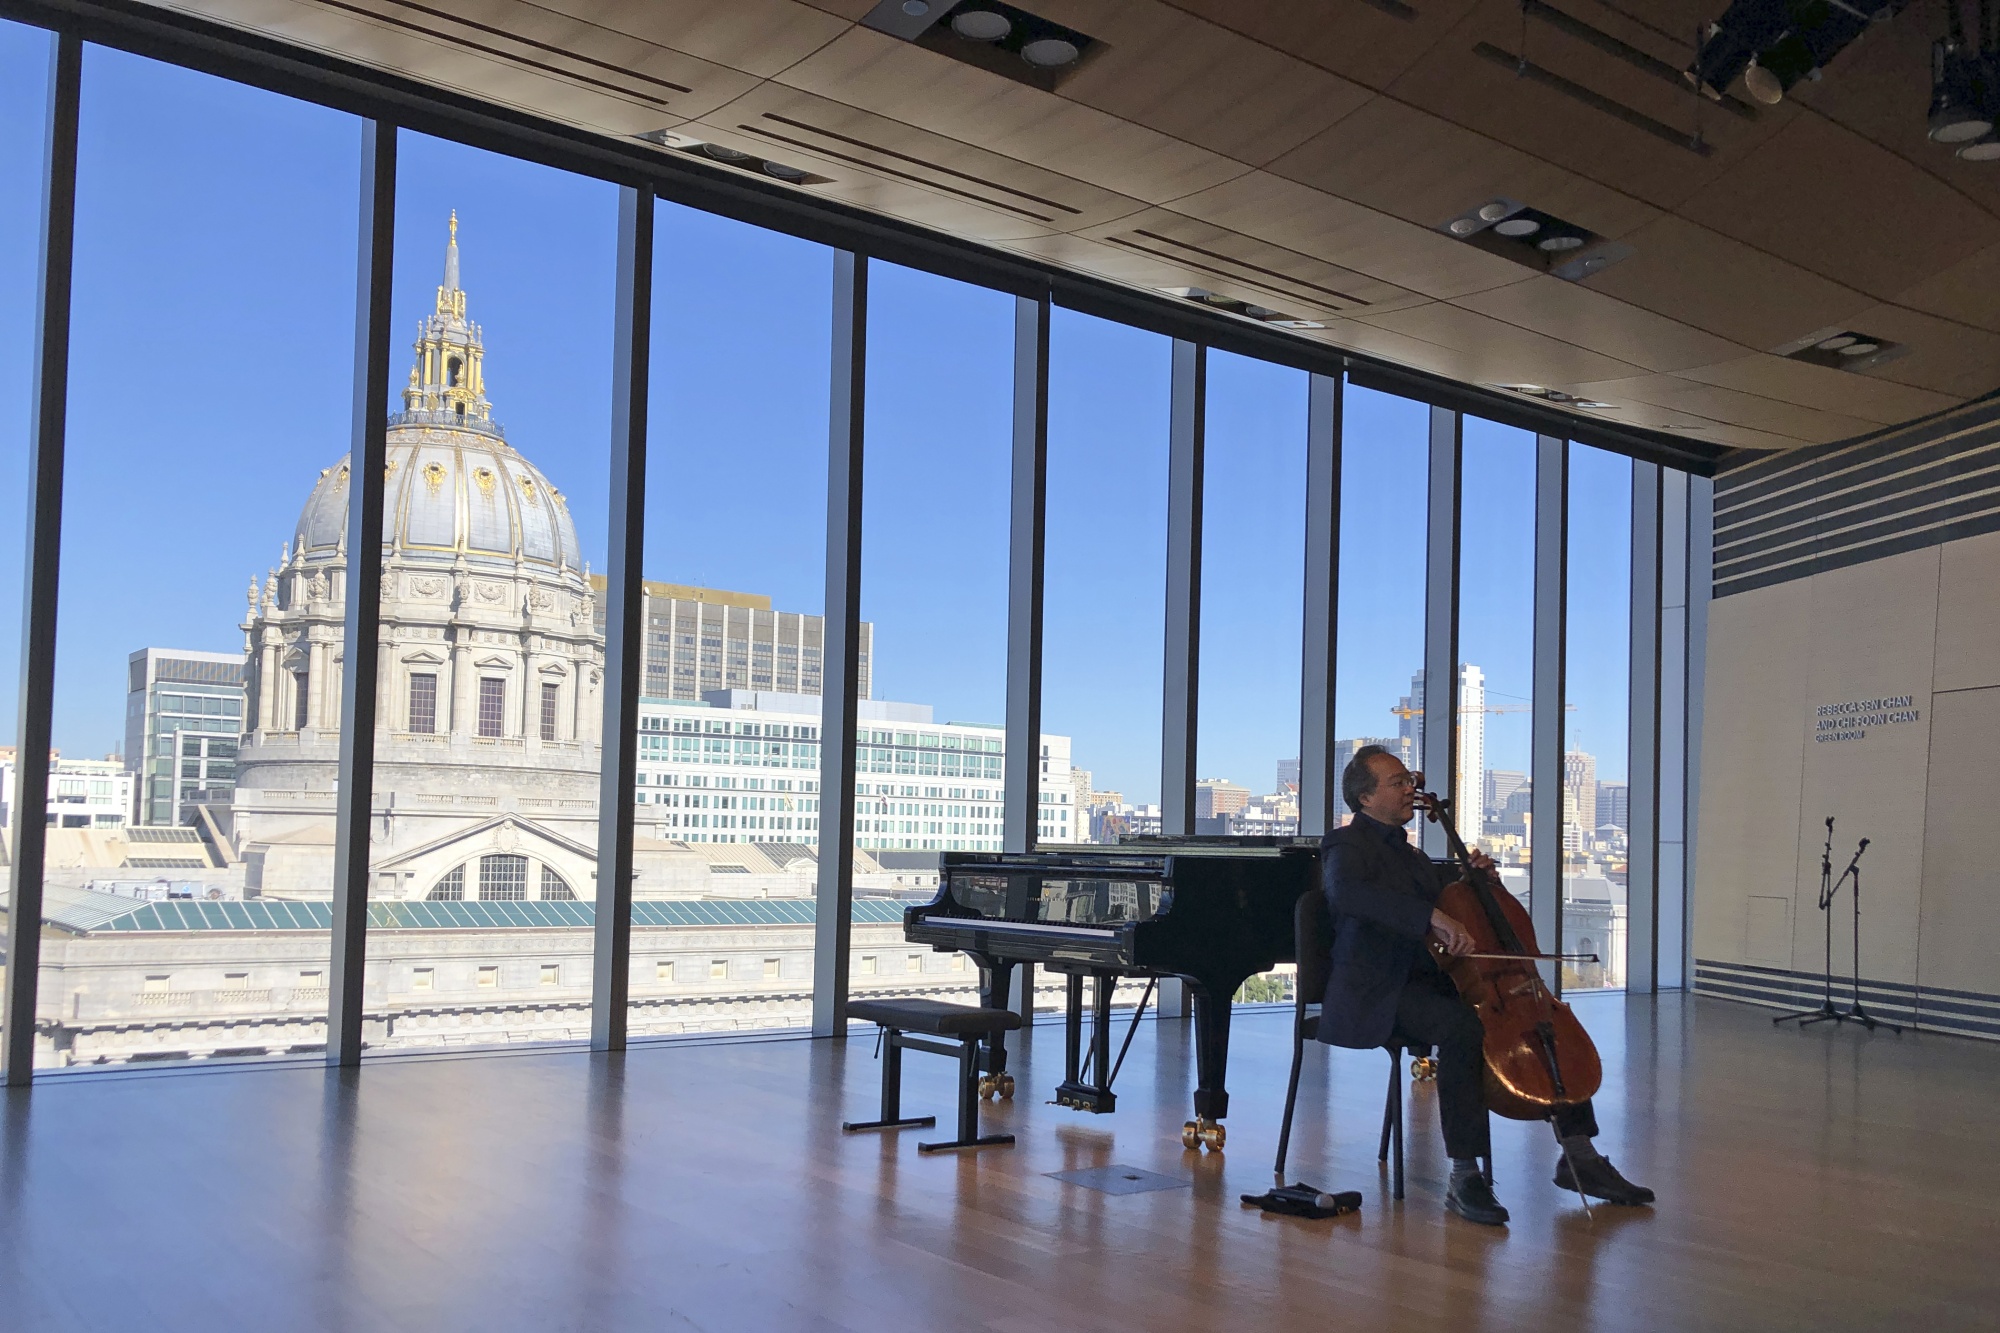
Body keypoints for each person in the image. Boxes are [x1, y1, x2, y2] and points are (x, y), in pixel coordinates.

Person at [1316, 743, 1653, 1226]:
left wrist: (1478, 882)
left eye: (1410, 780)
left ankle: (1580, 1155)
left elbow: (1458, 907)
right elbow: (1349, 895)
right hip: (1380, 990)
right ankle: (1464, 1174)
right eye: (1398, 782)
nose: (1411, 789)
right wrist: (1430, 916)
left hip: (1435, 980)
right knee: (1462, 1028)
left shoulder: (1413, 857)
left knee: (1541, 1023)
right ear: (1365, 797)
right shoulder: (1344, 846)